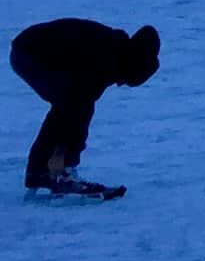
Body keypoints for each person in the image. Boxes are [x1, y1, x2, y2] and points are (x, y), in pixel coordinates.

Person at [8, 19, 160, 196]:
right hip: (30, 54)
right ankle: (60, 173)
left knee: (70, 103)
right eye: (126, 80)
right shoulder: (107, 59)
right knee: (73, 104)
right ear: (132, 66)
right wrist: (61, 153)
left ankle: (41, 172)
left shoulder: (114, 50)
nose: (119, 84)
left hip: (29, 51)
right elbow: (78, 108)